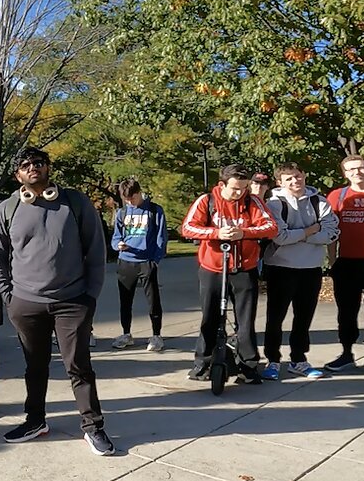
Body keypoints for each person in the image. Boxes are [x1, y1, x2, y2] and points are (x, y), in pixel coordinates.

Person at [0, 147, 113, 454]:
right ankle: (35, 420)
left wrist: (90, 296)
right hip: (26, 303)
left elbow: (96, 250)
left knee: (78, 366)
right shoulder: (7, 209)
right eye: (26, 165)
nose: (33, 168)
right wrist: (9, 296)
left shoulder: (75, 202)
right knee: (35, 366)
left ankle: (93, 427)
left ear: (48, 168)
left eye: (39, 163)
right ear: (18, 175)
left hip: (73, 301)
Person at [181, 164, 279, 384]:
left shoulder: (252, 201)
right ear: (222, 184)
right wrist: (216, 233)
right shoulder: (207, 201)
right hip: (212, 268)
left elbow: (271, 228)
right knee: (210, 317)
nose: (239, 193)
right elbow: (187, 228)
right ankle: (202, 363)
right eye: (235, 188)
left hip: (244, 269)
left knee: (245, 321)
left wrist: (243, 233)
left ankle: (248, 365)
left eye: (243, 188)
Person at [261, 163, 339, 380]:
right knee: (275, 318)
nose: (295, 181)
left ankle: (299, 360)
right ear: (280, 182)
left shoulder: (319, 202)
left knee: (303, 318)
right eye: (288, 179)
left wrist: (300, 235)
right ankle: (273, 360)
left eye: (297, 176)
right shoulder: (274, 204)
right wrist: (312, 230)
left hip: (310, 268)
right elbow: (279, 237)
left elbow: (331, 233)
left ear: (304, 175)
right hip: (280, 267)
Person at [325, 154, 364, 376]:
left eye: (361, 168)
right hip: (346, 263)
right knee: (346, 311)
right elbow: (331, 233)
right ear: (345, 173)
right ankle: (346, 353)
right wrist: (333, 262)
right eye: (351, 169)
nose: (357, 173)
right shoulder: (337, 196)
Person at [109, 178, 167, 352]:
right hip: (126, 260)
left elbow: (161, 237)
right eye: (126, 199)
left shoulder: (154, 210)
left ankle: (156, 335)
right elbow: (116, 236)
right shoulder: (122, 212)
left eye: (132, 198)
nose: (130, 202)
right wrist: (117, 245)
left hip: (146, 261)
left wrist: (155, 260)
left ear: (139, 193)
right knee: (125, 301)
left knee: (153, 300)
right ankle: (126, 333)